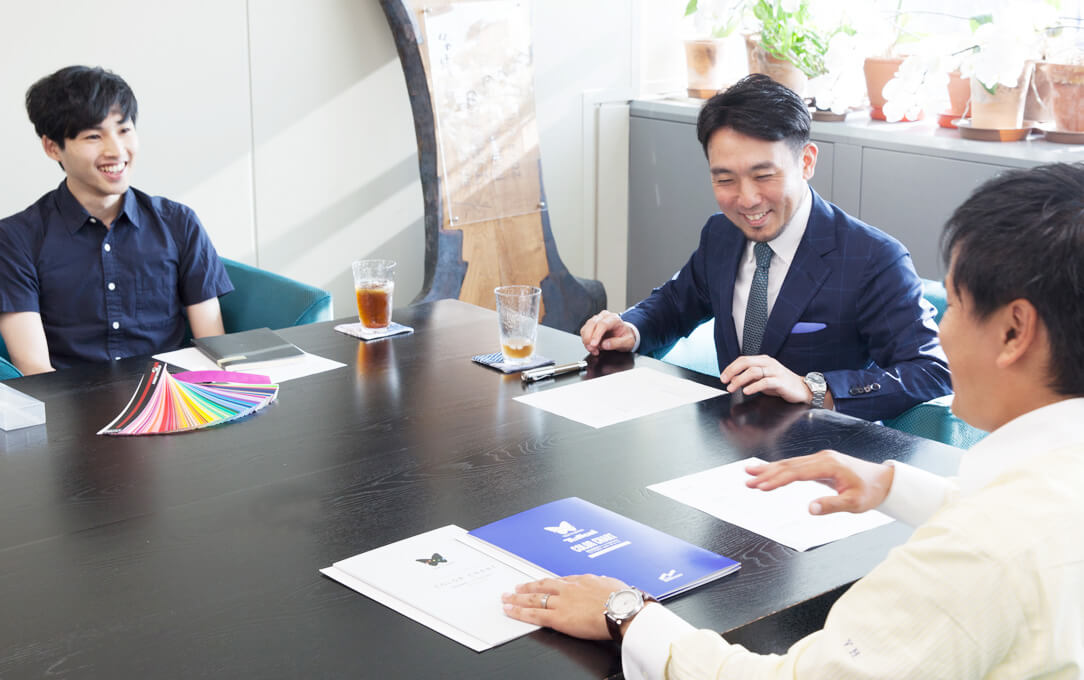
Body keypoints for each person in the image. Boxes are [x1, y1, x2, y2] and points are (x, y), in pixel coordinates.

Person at [503, 162, 1084, 678]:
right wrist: (891, 486)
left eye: (952, 306)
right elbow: (1022, 520)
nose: (944, 327)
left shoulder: (972, 556)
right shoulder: (1042, 491)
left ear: (1013, 331)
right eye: (723, 176)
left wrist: (627, 612)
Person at [580, 75, 950, 422]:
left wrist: (813, 387)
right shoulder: (721, 234)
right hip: (728, 441)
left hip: (823, 456)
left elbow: (930, 371)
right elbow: (676, 304)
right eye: (725, 179)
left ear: (806, 162)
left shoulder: (872, 258)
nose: (747, 199)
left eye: (763, 176)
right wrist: (632, 327)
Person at [0, 66, 232, 375]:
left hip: (176, 404)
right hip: (74, 411)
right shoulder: (17, 239)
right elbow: (35, 369)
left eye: (124, 130)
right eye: (94, 136)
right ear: (52, 147)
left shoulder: (179, 223)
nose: (116, 150)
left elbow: (213, 346)